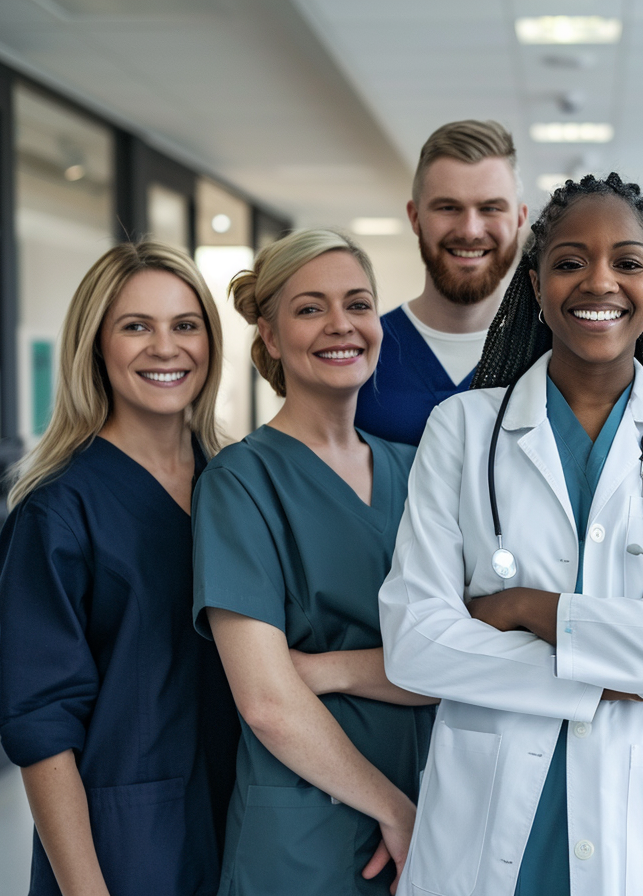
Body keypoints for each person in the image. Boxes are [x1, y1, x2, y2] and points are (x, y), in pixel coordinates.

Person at [379, 172, 643, 896]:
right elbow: (415, 643)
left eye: (627, 262)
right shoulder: (463, 430)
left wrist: (526, 609)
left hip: (636, 828)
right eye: (571, 261)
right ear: (538, 284)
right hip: (485, 818)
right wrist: (611, 671)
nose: (599, 281)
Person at [192, 229, 436, 896]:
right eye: (309, 308)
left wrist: (323, 671)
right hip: (307, 829)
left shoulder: (418, 472)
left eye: (358, 304)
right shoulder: (240, 483)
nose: (341, 325)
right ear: (269, 336)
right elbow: (269, 702)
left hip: (435, 805)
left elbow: (467, 660)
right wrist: (395, 810)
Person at [0, 241, 237, 896]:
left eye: (185, 325)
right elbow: (41, 725)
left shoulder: (236, 485)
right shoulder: (59, 513)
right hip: (126, 848)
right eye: (136, 327)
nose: (167, 348)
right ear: (95, 346)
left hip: (244, 824)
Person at [354, 119, 529, 444]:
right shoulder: (361, 355)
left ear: (519, 219)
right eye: (448, 207)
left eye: (490, 208)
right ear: (415, 217)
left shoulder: (552, 357)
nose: (470, 230)